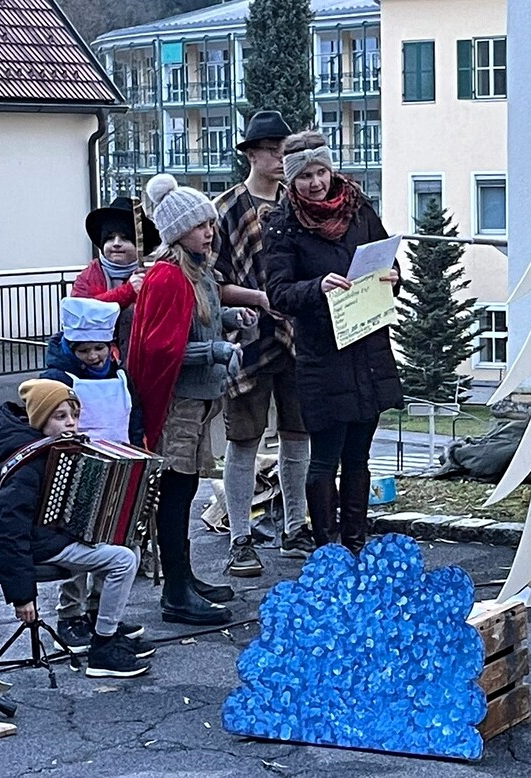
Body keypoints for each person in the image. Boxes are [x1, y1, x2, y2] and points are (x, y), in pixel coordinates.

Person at [263, 131, 403, 555]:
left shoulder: (358, 208)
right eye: (305, 176)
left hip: (367, 350)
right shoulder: (283, 224)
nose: (316, 183)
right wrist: (317, 287)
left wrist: (393, 277)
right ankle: (328, 551)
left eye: (321, 172)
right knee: (325, 457)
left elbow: (386, 258)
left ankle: (356, 544)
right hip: (323, 357)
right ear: (292, 180)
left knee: (359, 456)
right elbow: (278, 293)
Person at [128, 173, 256, 626]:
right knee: (176, 493)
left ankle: (184, 577)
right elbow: (163, 350)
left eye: (210, 224)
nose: (209, 231)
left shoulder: (199, 273)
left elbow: (199, 321)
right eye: (200, 225)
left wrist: (232, 317)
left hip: (199, 400)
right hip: (177, 404)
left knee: (184, 491)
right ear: (178, 231)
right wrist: (216, 350)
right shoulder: (167, 276)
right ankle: (176, 592)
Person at [0, 379, 154, 678]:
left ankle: (104, 626)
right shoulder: (29, 466)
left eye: (74, 415)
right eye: (60, 416)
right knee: (122, 560)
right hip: (40, 544)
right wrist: (22, 595)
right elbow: (4, 531)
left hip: (56, 535)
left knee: (129, 545)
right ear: (39, 420)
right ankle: (103, 650)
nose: (71, 423)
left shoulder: (61, 450)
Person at [213, 110, 313, 575]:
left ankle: (295, 527)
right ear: (251, 154)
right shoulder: (226, 209)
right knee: (244, 437)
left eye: (284, 151)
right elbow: (212, 284)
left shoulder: (298, 206)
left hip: (297, 334)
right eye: (272, 150)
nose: (279, 158)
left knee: (298, 432)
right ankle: (240, 537)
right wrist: (258, 297)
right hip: (249, 337)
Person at [37, 296, 145, 653]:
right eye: (84, 351)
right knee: (79, 544)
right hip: (76, 472)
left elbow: (134, 416)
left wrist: (138, 448)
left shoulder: (121, 375)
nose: (94, 357)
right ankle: (71, 613)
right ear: (71, 348)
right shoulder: (59, 379)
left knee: (116, 539)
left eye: (99, 348)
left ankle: (102, 610)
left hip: (118, 471)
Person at [72, 196, 160, 363]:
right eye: (110, 238)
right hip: (97, 363)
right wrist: (127, 291)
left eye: (125, 238)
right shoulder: (87, 277)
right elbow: (83, 314)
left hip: (141, 361)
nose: (116, 243)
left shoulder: (153, 277)